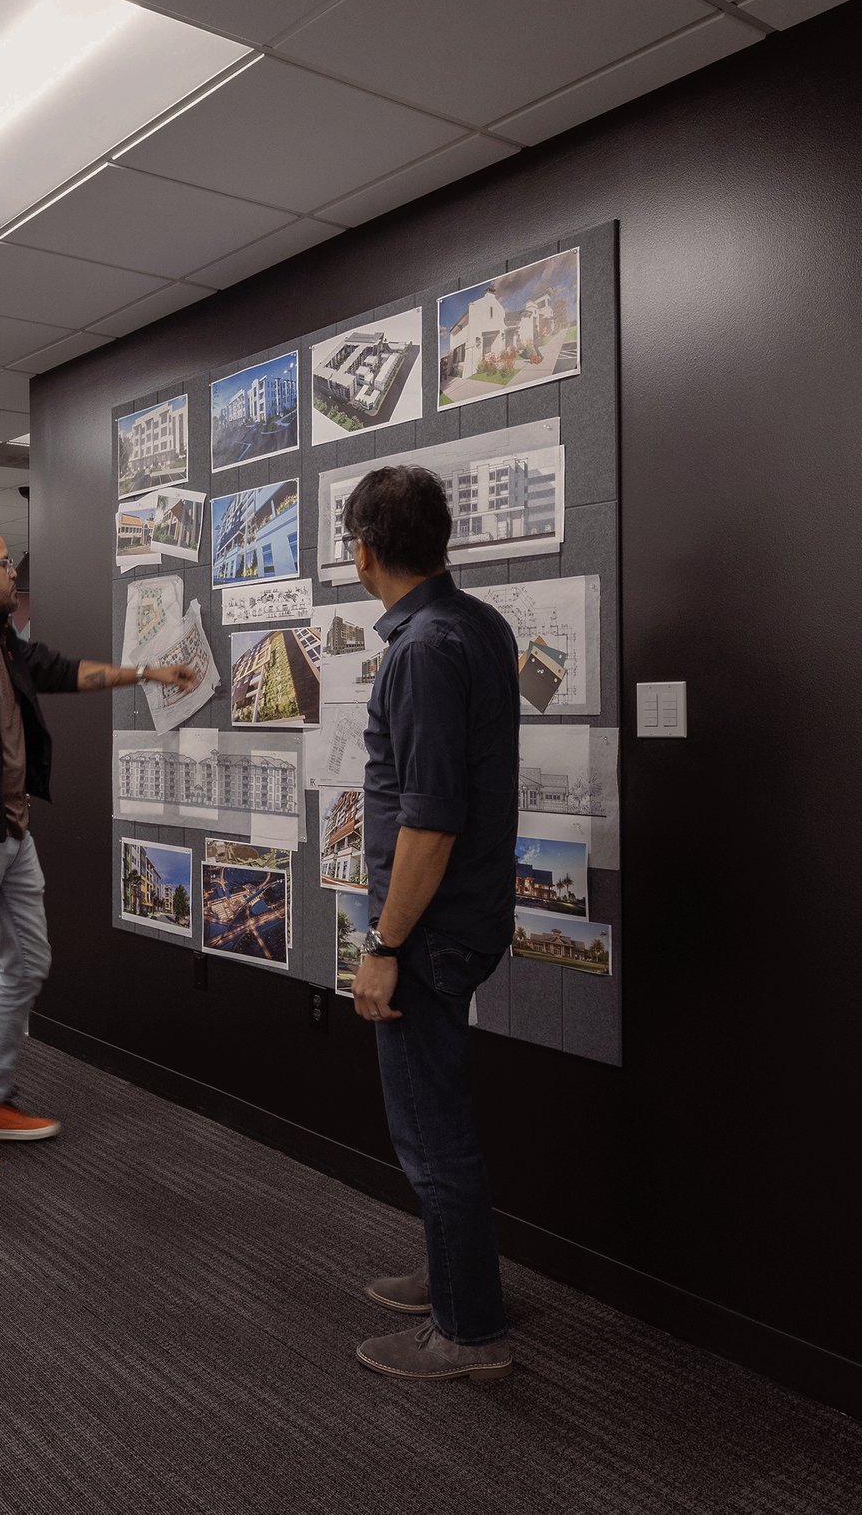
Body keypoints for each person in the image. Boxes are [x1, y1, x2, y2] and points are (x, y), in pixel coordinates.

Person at [0, 523, 200, 1189]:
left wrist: (148, 672)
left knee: (30, 963)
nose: (13, 574)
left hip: (13, 835)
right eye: (3, 564)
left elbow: (62, 671)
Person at [340, 465, 520, 1382]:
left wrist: (385, 946)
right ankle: (456, 1278)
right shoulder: (480, 625)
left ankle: (467, 1332)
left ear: (365, 551)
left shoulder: (420, 650)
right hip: (471, 916)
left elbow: (430, 822)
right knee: (439, 1118)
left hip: (430, 933)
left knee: (430, 1132)